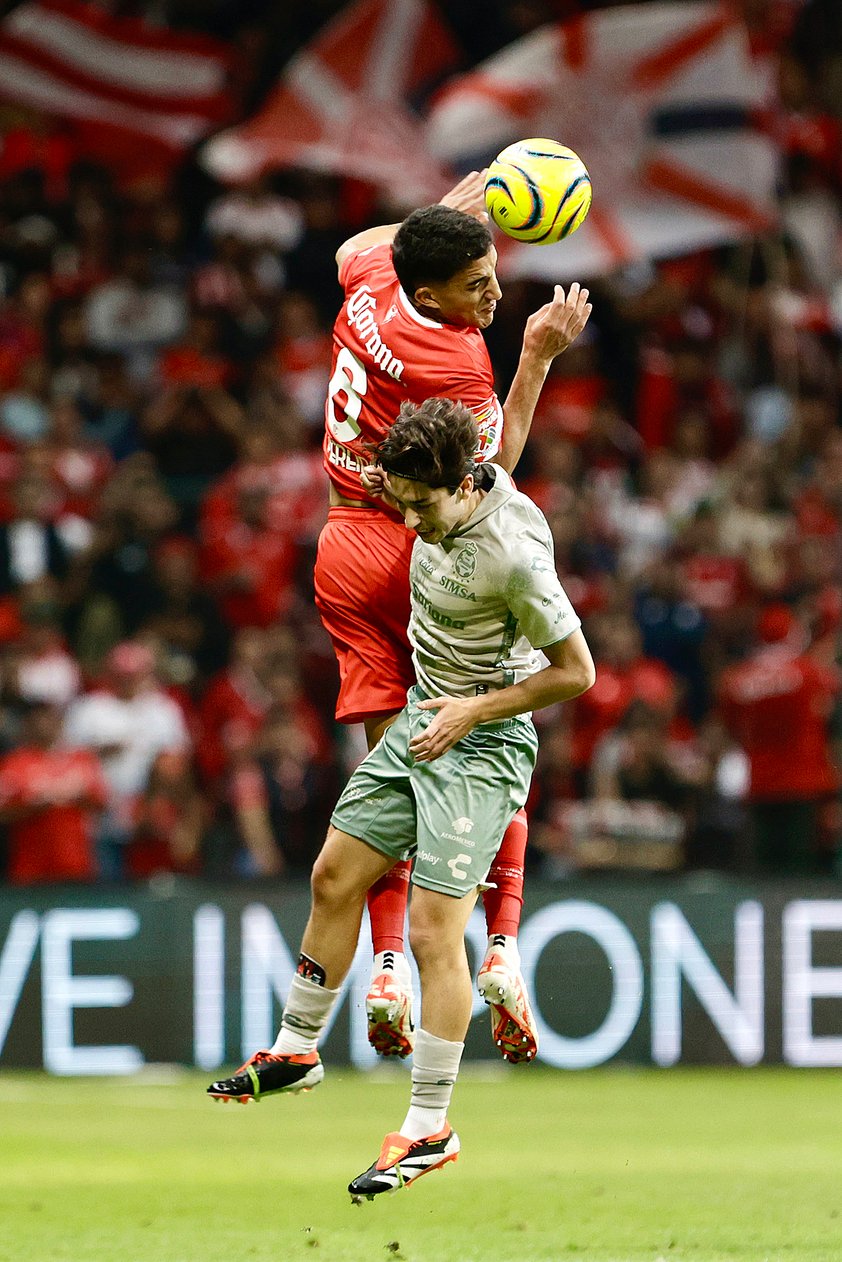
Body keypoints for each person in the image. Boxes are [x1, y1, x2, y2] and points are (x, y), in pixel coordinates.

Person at [208, 400, 595, 1196]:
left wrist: (472, 710)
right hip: (424, 721)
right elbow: (508, 442)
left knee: (430, 932)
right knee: (334, 875)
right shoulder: (451, 487)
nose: (408, 517)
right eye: (399, 499)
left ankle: (429, 1127)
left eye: (421, 502)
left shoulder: (515, 551)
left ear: (459, 485)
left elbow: (576, 672)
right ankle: (298, 1048)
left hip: (483, 742)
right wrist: (534, 361)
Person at [315, 171, 592, 1061]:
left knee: (390, 760)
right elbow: (487, 474)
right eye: (480, 284)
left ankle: (387, 959)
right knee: (488, 722)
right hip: (418, 543)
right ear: (433, 291)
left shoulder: (369, 278)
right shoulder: (459, 358)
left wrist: (446, 213)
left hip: (345, 544)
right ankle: (502, 940)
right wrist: (538, 358)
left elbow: (361, 245)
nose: (497, 296)